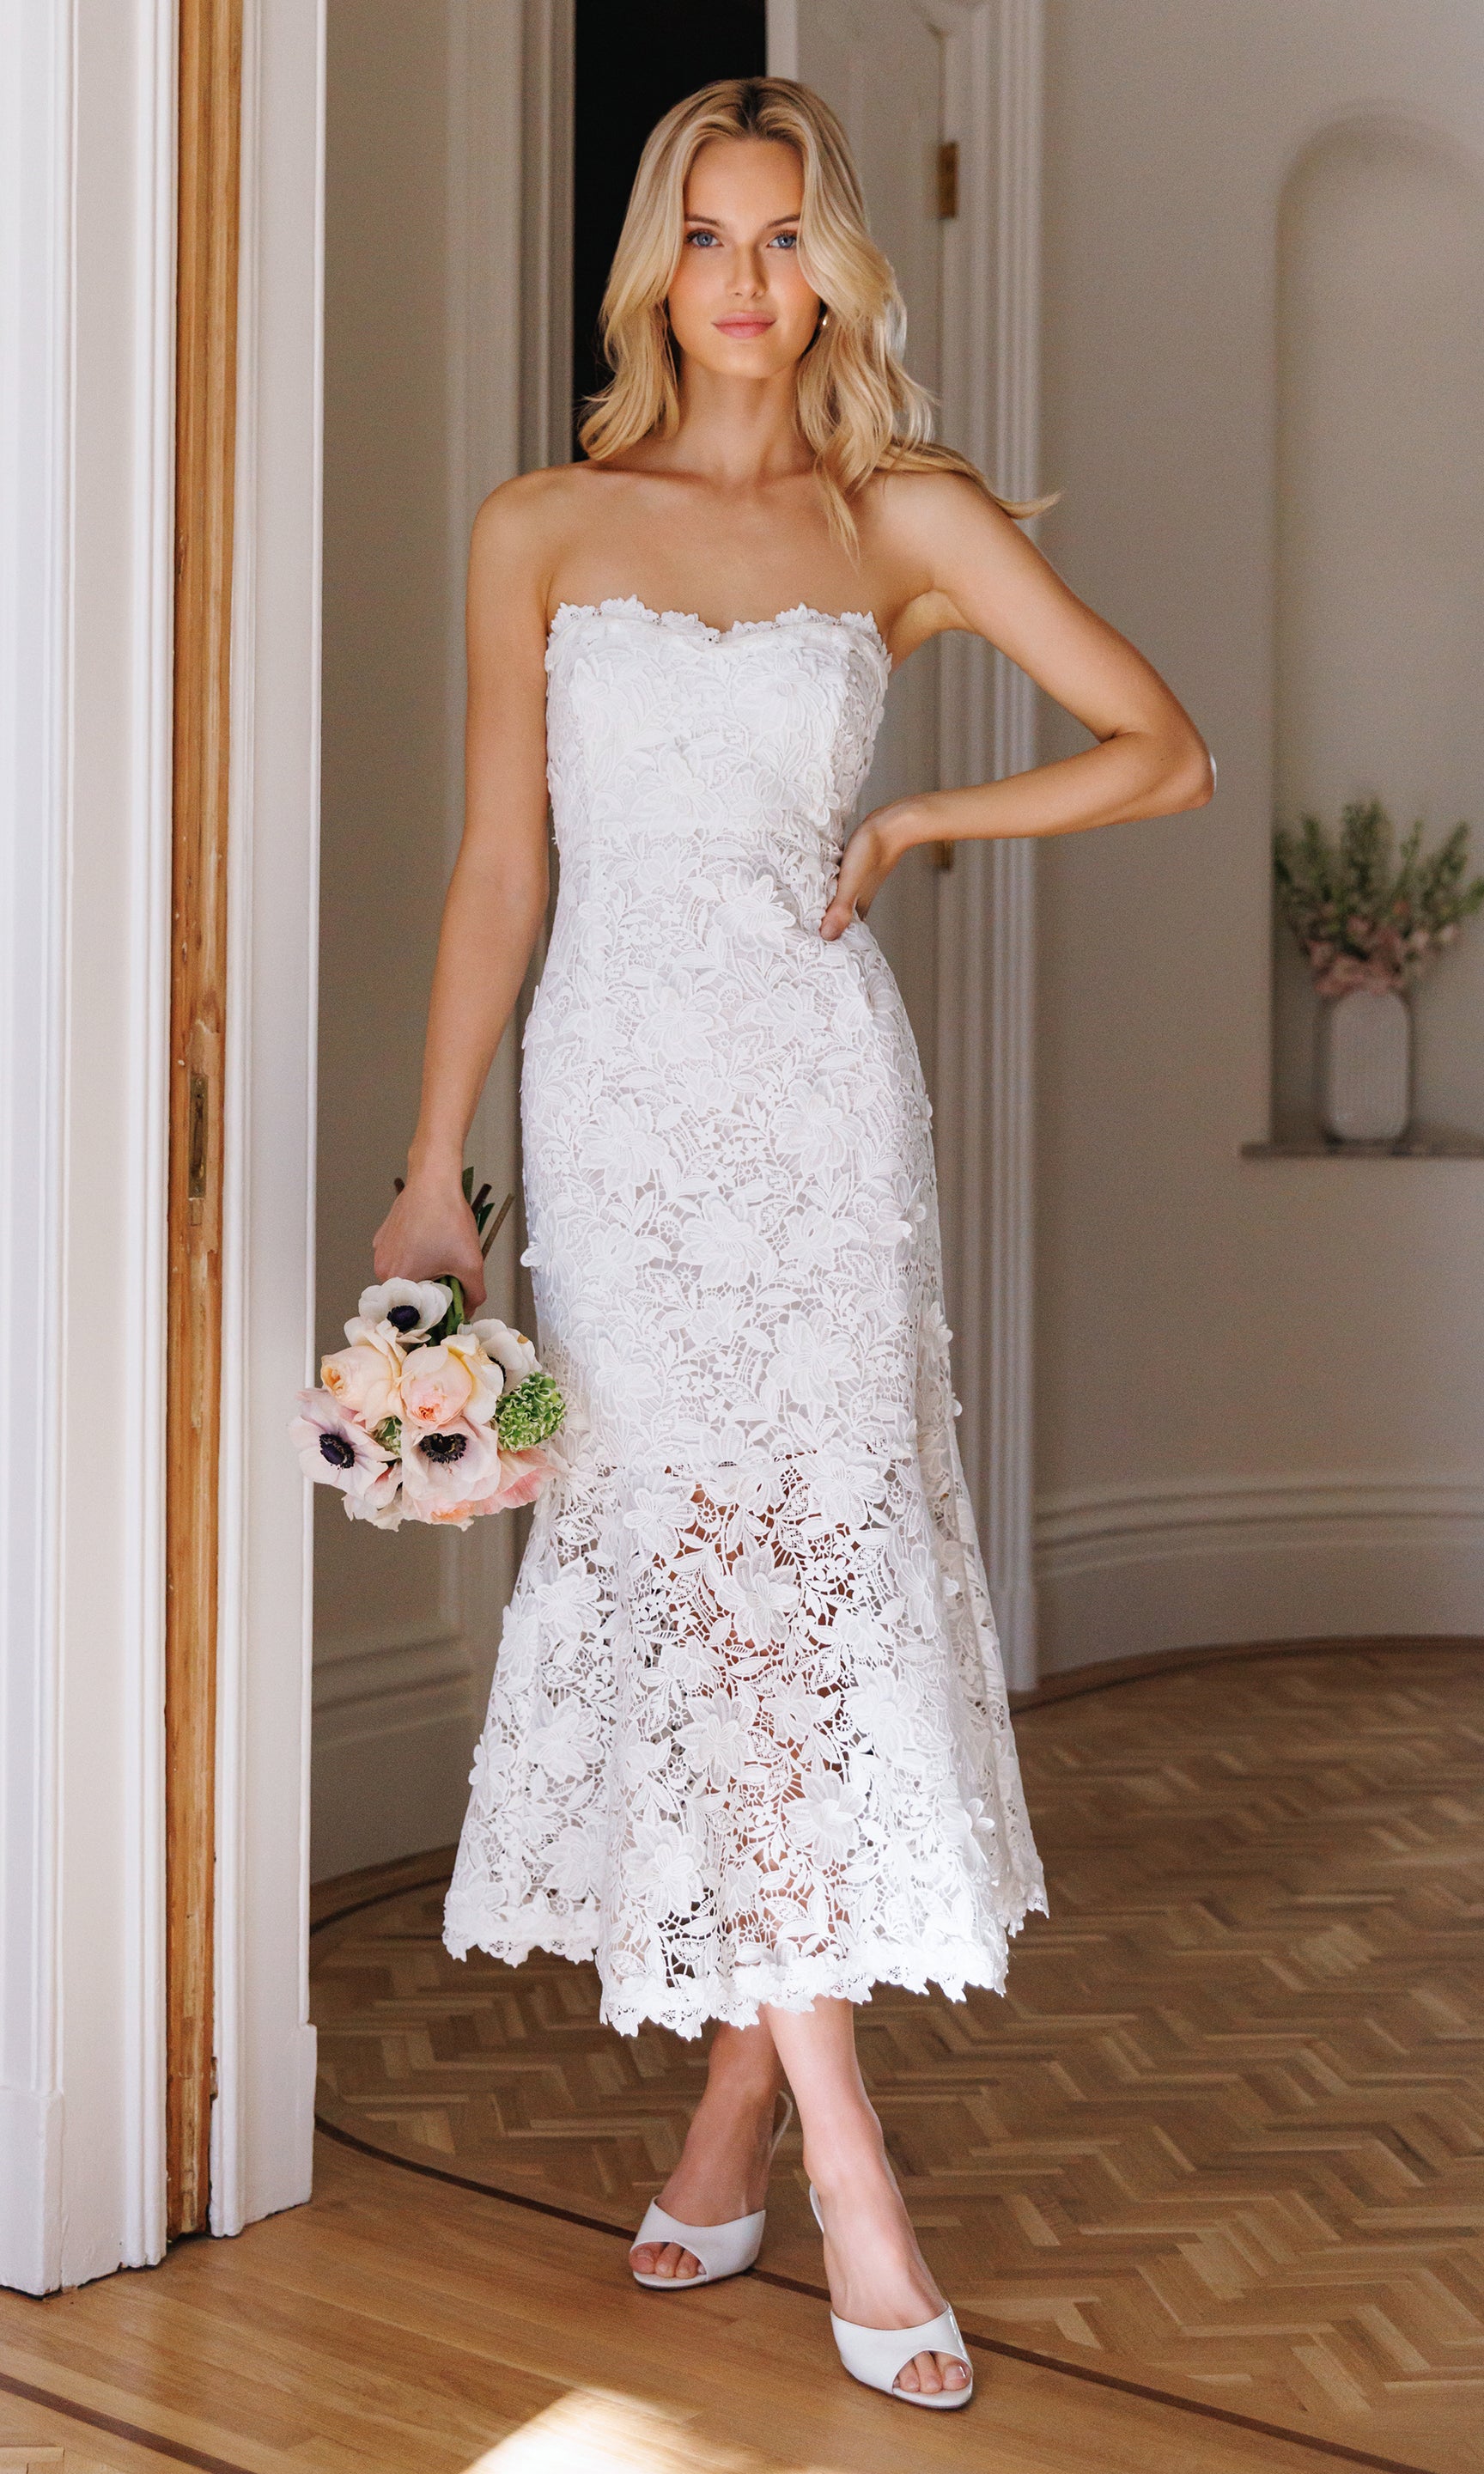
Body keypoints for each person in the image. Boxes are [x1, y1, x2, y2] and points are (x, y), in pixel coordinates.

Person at [374, 76, 1211, 2410]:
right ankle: (825, 2136)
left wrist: (934, 809)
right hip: (620, 1102)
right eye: (710, 242)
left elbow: (1162, 746)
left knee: (801, 1585)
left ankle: (771, 2109)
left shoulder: (901, 517)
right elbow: (499, 870)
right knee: (699, 1581)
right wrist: (437, 1163)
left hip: (818, 1104)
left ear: (837, 265)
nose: (749, 286)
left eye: (786, 243)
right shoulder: (541, 521)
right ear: (656, 269)